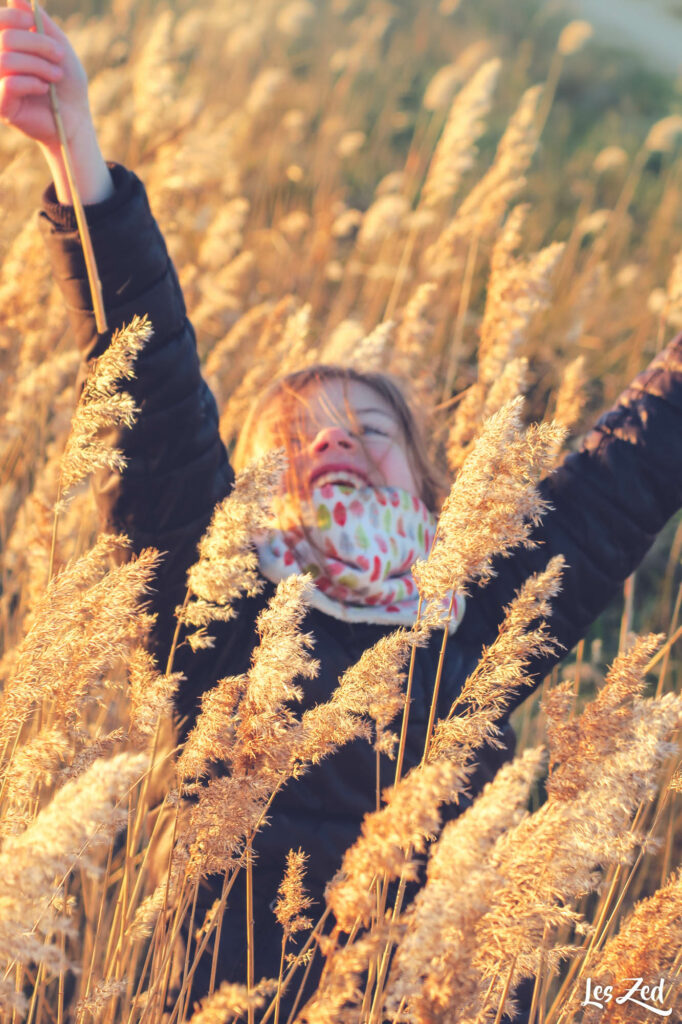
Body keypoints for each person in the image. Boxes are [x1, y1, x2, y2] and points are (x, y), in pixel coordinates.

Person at [2, 2, 682, 1019]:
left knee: (628, 997)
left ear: (426, 483)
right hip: (219, 990)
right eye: (307, 436)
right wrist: (76, 153)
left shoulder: (475, 611)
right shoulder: (220, 602)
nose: (336, 441)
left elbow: (621, 479)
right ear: (274, 489)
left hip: (423, 990)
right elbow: (148, 395)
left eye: (371, 431)